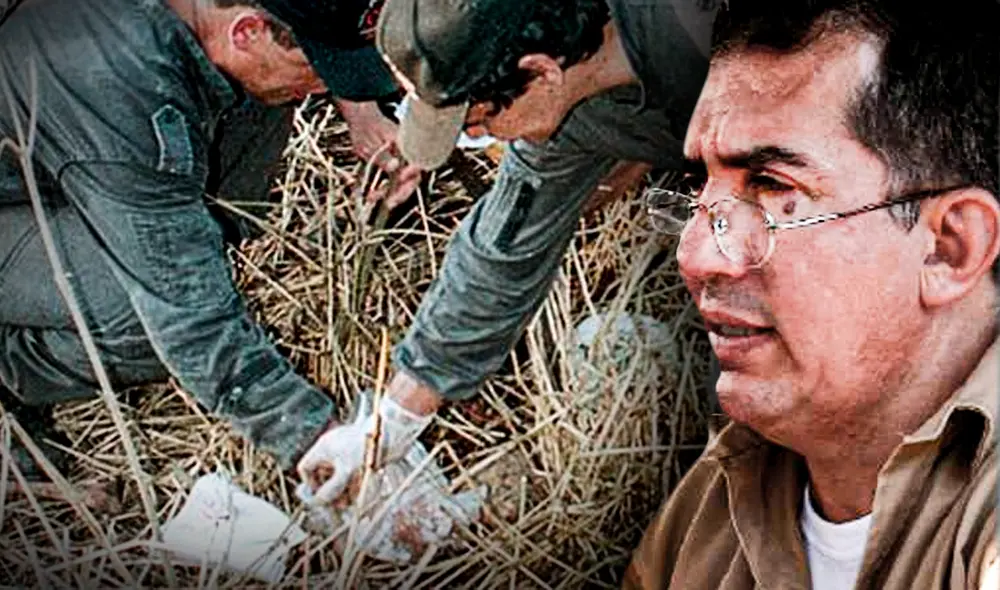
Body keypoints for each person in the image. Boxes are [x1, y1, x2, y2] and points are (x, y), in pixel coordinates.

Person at [621, 1, 998, 588]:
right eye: (699, 187)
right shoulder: (710, 503)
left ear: (949, 246)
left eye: (772, 188)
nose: (695, 256)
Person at [297, 0, 723, 504]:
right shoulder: (565, 105)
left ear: (540, 73)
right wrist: (386, 428)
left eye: (477, 121)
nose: (475, 138)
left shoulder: (732, 48)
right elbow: (503, 250)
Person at [0, 0, 418, 480]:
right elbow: (186, 308)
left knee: (268, 92)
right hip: (23, 192)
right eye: (320, 71)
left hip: (71, 155)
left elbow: (308, 27)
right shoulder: (119, 79)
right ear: (246, 31)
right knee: (146, 313)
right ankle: (10, 373)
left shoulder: (214, 18)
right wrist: (314, 439)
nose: (321, 88)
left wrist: (360, 109)